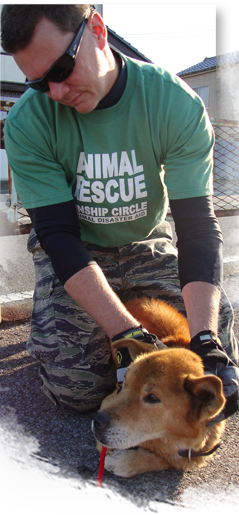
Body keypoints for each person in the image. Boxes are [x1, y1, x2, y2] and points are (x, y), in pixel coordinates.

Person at [1, 4, 239, 418]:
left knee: (209, 372)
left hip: (146, 242)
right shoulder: (27, 122)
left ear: (97, 30)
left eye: (61, 70)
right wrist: (126, 332)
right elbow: (58, 237)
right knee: (78, 392)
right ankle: (52, 329)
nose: (55, 93)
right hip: (78, 250)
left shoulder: (173, 102)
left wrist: (205, 337)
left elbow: (198, 227)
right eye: (38, 82)